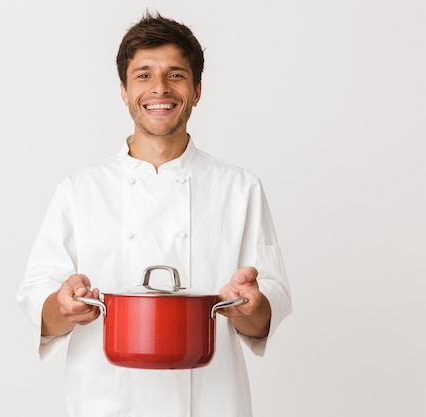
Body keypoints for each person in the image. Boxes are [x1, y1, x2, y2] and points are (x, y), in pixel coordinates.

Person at [17, 12, 292, 417]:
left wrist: (251, 305)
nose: (159, 88)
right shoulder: (80, 190)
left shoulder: (240, 188)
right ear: (124, 92)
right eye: (143, 75)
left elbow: (266, 310)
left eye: (176, 75)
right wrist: (62, 306)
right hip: (105, 403)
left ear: (197, 91)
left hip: (209, 403)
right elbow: (39, 303)